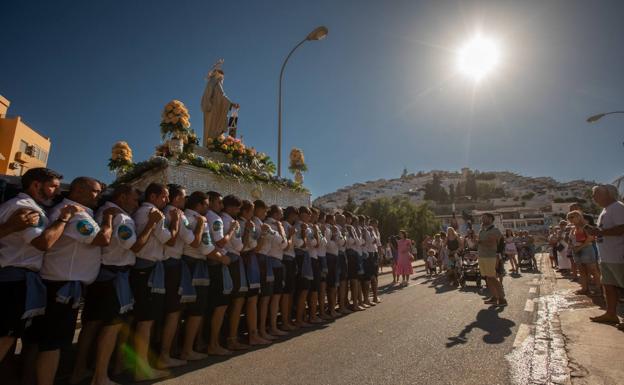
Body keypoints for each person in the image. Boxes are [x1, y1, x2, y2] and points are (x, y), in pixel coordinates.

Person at [70, 184, 162, 385]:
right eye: (134, 199)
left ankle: (83, 369)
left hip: (104, 274)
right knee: (112, 326)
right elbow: (137, 246)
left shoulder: (107, 212)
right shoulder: (120, 217)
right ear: (122, 198)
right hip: (112, 275)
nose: (136, 203)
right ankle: (100, 376)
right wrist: (151, 224)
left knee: (94, 324)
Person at [29, 177, 115, 385]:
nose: (99, 196)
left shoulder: (78, 212)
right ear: (78, 190)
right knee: (52, 344)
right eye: (95, 191)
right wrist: (108, 221)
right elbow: (102, 239)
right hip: (62, 285)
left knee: (48, 342)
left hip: (65, 284)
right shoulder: (75, 213)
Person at [0, 168, 74, 366]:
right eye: (53, 187)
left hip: (17, 280)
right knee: (6, 336)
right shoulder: (26, 208)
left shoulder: (19, 204)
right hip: (15, 281)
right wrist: (63, 219)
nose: (57, 193)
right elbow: (43, 243)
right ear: (35, 185)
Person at [129, 182, 179, 381]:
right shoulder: (152, 213)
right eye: (164, 197)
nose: (167, 201)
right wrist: (175, 221)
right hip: (146, 268)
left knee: (144, 321)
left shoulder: (147, 211)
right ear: (153, 197)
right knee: (145, 322)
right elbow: (171, 240)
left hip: (147, 268)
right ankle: (141, 368)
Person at [160, 184, 194, 368]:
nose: (185, 199)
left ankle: (168, 350)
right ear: (175, 198)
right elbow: (190, 239)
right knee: (173, 311)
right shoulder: (176, 213)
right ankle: (165, 354)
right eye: (183, 196)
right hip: (172, 263)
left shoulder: (164, 210)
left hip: (166, 263)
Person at [180, 191, 213, 361]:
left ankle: (190, 345)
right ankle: (187, 349)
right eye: (206, 204)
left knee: (180, 311)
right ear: (199, 205)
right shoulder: (200, 220)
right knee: (196, 310)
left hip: (185, 263)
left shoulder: (184, 216)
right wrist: (224, 258)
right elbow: (205, 246)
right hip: (196, 264)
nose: (208, 208)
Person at [587, 185, 624, 326]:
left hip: (618, 255)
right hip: (606, 256)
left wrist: (599, 232)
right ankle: (611, 314)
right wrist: (596, 231)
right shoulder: (605, 211)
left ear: (607, 193)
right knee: (608, 286)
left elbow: (622, 228)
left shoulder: (618, 207)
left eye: (596, 194)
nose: (593, 198)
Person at [205, 191, 235, 355]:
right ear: (210, 202)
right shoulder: (215, 218)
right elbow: (220, 241)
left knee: (213, 306)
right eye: (219, 203)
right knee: (220, 306)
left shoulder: (208, 217)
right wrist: (231, 230)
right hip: (216, 263)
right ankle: (213, 344)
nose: (221, 206)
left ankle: (209, 342)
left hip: (211, 263)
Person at [238, 200, 271, 345]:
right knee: (251, 300)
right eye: (252, 211)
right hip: (249, 260)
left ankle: (256, 332)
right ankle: (252, 334)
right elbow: (253, 247)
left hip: (251, 260)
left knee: (252, 299)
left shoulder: (249, 223)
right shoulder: (246, 224)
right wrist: (262, 234)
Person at [221, 195, 250, 351]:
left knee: (230, 303)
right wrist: (246, 234)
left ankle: (230, 337)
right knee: (236, 301)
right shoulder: (231, 222)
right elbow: (240, 246)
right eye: (238, 208)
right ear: (231, 208)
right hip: (233, 260)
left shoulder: (224, 220)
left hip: (230, 260)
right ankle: (231, 338)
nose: (238, 211)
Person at [265, 205, 290, 335]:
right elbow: (284, 244)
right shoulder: (273, 225)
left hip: (275, 261)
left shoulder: (273, 224)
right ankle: (272, 327)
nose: (282, 215)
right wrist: (282, 230)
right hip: (272, 262)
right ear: (275, 213)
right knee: (273, 297)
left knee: (274, 297)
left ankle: (272, 326)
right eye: (280, 212)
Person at [567, 210, 601, 296]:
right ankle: (585, 288)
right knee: (582, 271)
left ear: (579, 217)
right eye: (569, 217)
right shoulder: (572, 229)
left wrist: (579, 248)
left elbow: (591, 238)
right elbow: (571, 240)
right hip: (576, 251)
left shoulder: (585, 227)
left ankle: (599, 289)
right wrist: (572, 246)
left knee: (593, 270)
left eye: (572, 217)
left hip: (586, 249)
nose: (570, 219)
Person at [478, 213, 507, 307]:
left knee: (493, 278)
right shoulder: (481, 230)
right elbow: (480, 243)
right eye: (482, 218)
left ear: (490, 219)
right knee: (488, 278)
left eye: (484, 218)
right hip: (482, 256)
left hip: (490, 257)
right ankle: (494, 297)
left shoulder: (495, 230)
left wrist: (499, 254)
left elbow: (500, 242)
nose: (482, 219)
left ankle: (502, 298)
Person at [280, 206, 301, 329]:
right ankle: (285, 321)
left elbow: (298, 244)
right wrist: (292, 235)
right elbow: (288, 245)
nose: (296, 217)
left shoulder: (289, 225)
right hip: (286, 259)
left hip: (291, 259)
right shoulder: (284, 225)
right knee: (286, 292)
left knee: (290, 291)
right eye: (295, 215)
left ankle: (287, 319)